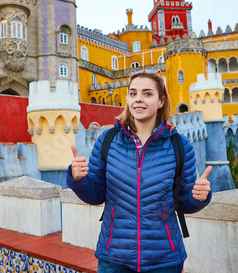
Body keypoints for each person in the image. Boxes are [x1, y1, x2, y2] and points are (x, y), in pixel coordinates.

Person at [67, 71, 212, 272]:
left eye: (147, 94)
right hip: (114, 257)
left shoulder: (180, 145)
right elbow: (96, 195)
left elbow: (185, 203)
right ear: (127, 99)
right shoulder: (107, 141)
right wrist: (78, 179)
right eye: (133, 93)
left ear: (161, 101)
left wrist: (199, 197)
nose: (138, 100)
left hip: (164, 260)